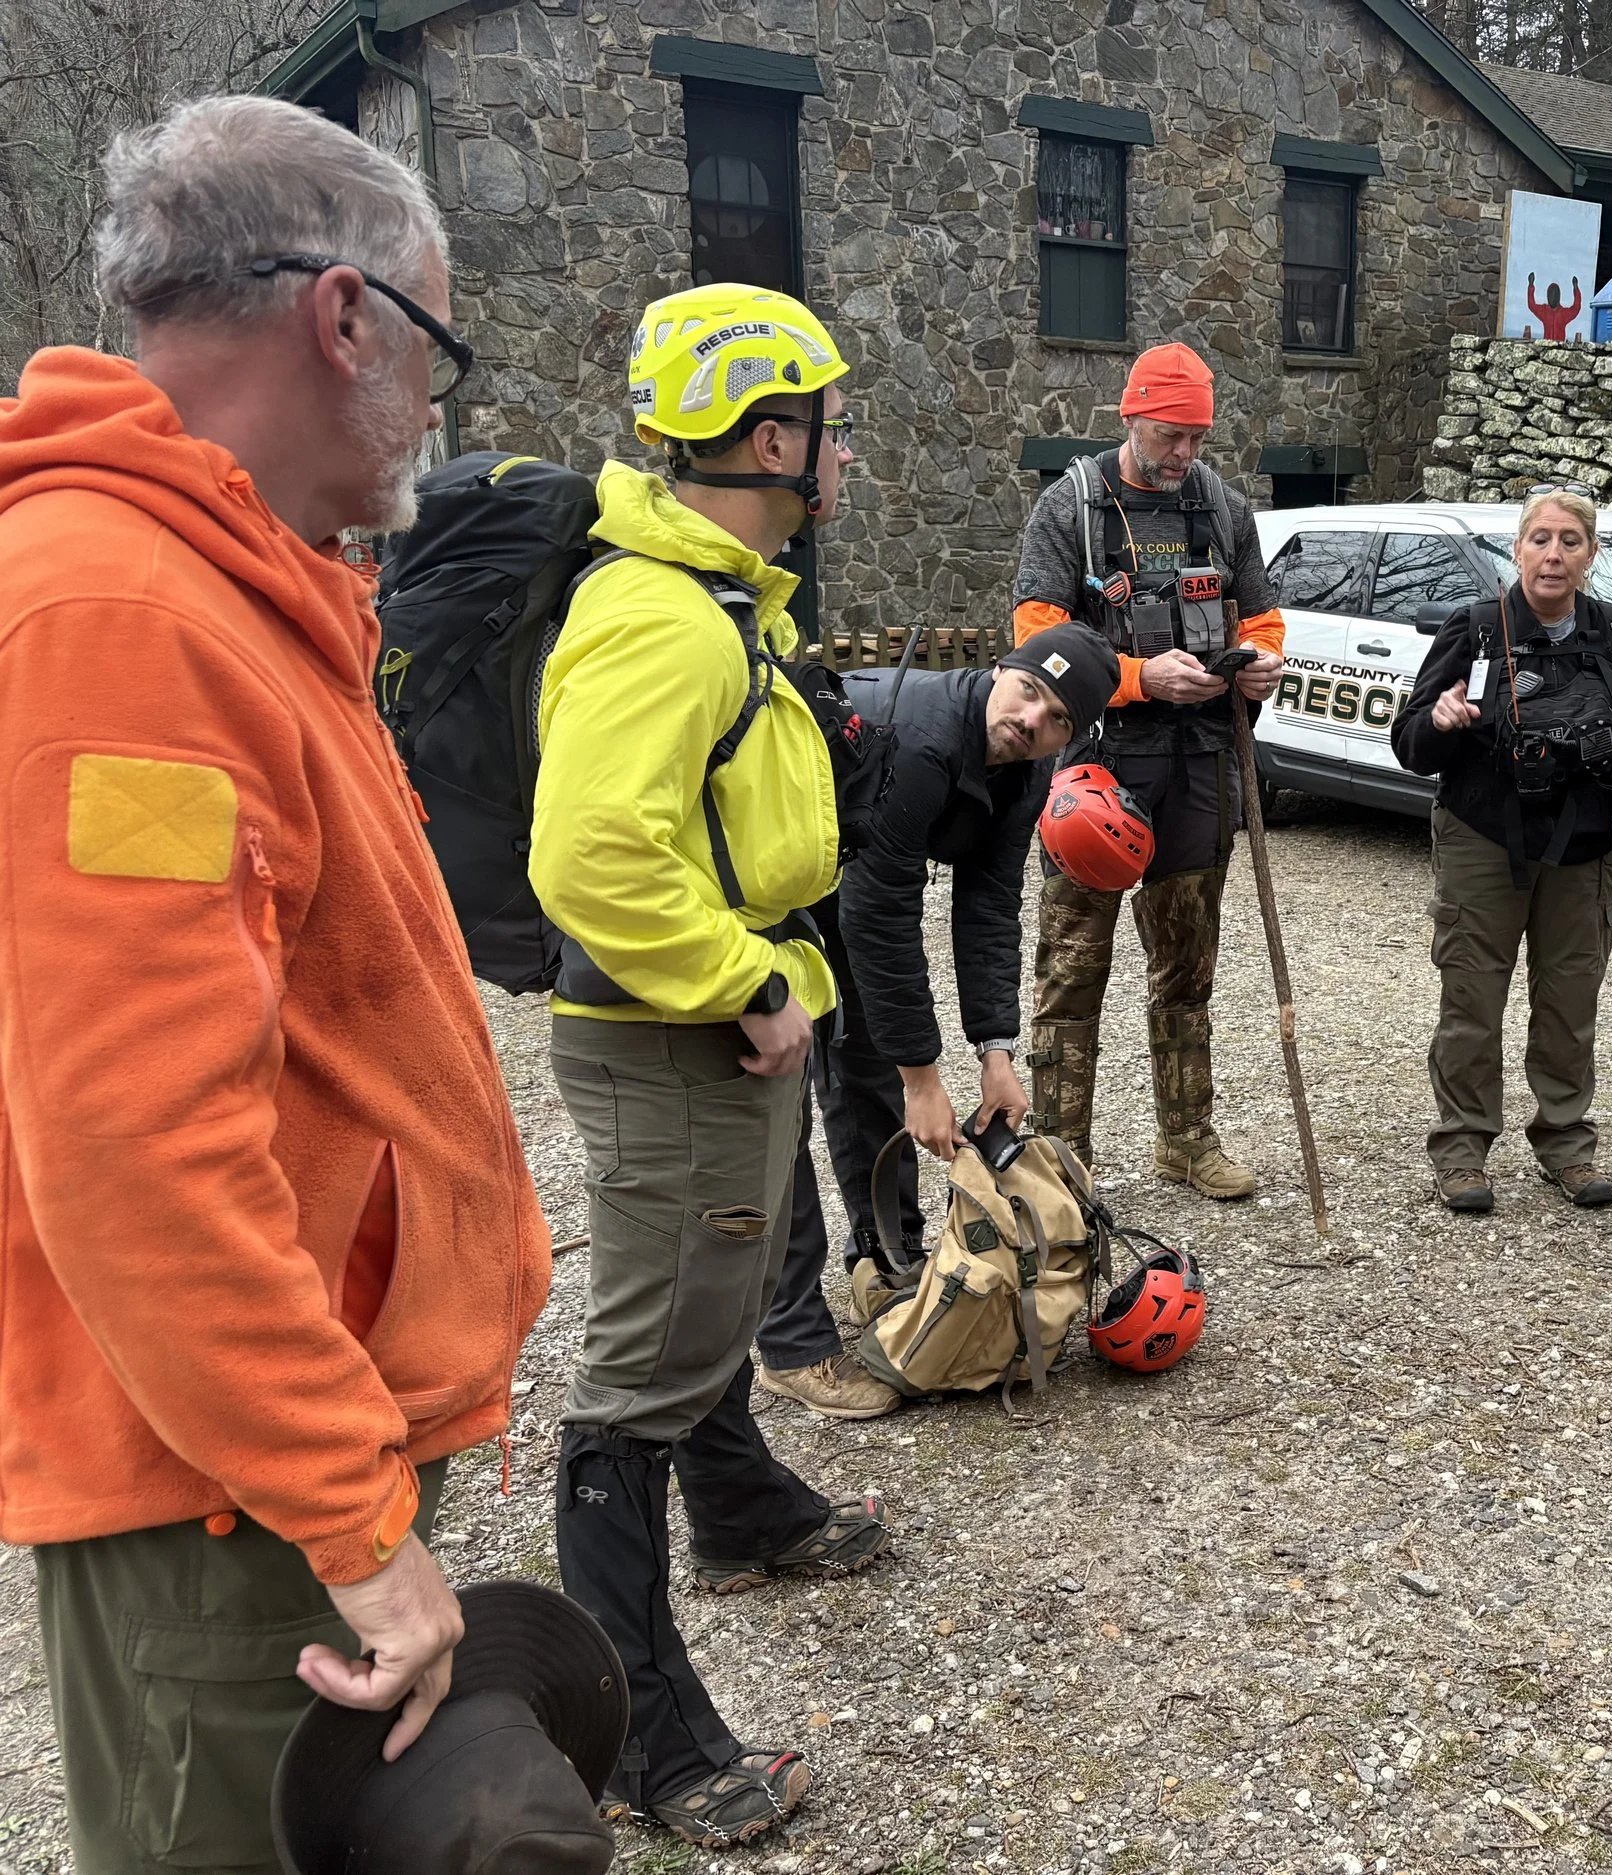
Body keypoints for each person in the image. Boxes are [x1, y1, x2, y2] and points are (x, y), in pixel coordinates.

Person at [0, 96, 552, 1874]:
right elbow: (134, 1140)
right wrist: (344, 1508)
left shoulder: (226, 590)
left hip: (266, 1468)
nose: (442, 406)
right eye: (440, 347)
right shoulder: (120, 624)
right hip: (226, 1504)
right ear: (343, 320)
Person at [529, 283, 881, 1846]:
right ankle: (639, 1737)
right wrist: (743, 977)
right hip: (675, 1036)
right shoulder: (661, 617)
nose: (839, 456)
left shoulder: (718, 596)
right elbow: (592, 855)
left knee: (714, 1302)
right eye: (823, 425)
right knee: (635, 1379)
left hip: (711, 1027)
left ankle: (745, 1515)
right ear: (762, 434)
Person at [757, 622, 1122, 1421]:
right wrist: (922, 1075)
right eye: (1028, 690)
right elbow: (881, 916)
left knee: (860, 1071)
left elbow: (987, 906)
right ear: (1001, 671)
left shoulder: (1027, 772)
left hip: (845, 873)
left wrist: (995, 1050)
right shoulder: (923, 739)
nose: (1031, 720)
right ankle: (790, 1339)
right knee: (773, 1100)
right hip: (770, 879)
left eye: (1056, 717)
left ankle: (883, 1258)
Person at [1010, 342, 1286, 1196]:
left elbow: (1265, 617)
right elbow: (1034, 641)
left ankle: (1187, 1140)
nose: (1185, 456)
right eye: (1171, 436)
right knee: (1070, 970)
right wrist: (1134, 678)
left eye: (1197, 438)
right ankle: (1059, 1161)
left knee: (1186, 968)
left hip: (1201, 765)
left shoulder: (1222, 508)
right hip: (1095, 769)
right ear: (1130, 417)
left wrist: (1263, 663)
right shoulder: (1074, 508)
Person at [1390, 487, 1612, 1213]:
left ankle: (1567, 1144)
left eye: (1570, 541)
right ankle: (1461, 1149)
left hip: (1583, 847)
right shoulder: (1476, 629)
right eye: (1540, 539)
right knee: (1472, 1001)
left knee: (1571, 1001)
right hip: (1483, 838)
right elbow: (1410, 744)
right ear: (1516, 550)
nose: (1553, 554)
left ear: (1591, 555)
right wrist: (1442, 718)